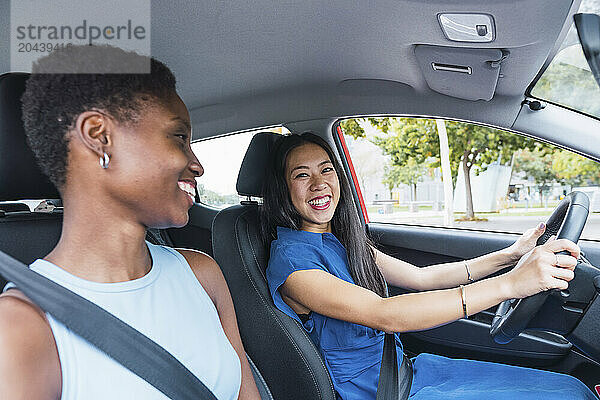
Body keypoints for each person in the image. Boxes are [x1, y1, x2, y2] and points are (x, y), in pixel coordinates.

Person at [0, 45, 260, 399]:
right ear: (99, 136)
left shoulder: (202, 274)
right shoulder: (22, 328)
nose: (197, 164)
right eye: (179, 137)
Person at [260, 132, 596, 400]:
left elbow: (422, 277)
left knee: (572, 389)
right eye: (301, 175)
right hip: (381, 392)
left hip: (407, 369)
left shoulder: (343, 241)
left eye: (326, 169)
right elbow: (386, 314)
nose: (319, 183)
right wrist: (510, 285)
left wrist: (510, 255)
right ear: (283, 188)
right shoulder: (293, 264)